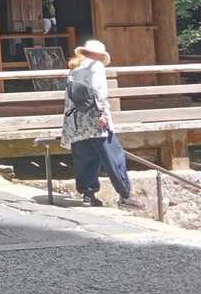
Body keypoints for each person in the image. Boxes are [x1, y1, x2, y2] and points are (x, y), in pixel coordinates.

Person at [60, 39, 144, 209]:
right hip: (95, 120)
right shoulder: (96, 66)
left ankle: (88, 195)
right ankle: (125, 194)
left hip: (76, 122)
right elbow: (99, 91)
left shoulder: (74, 69)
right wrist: (103, 114)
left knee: (85, 158)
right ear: (98, 55)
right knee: (113, 155)